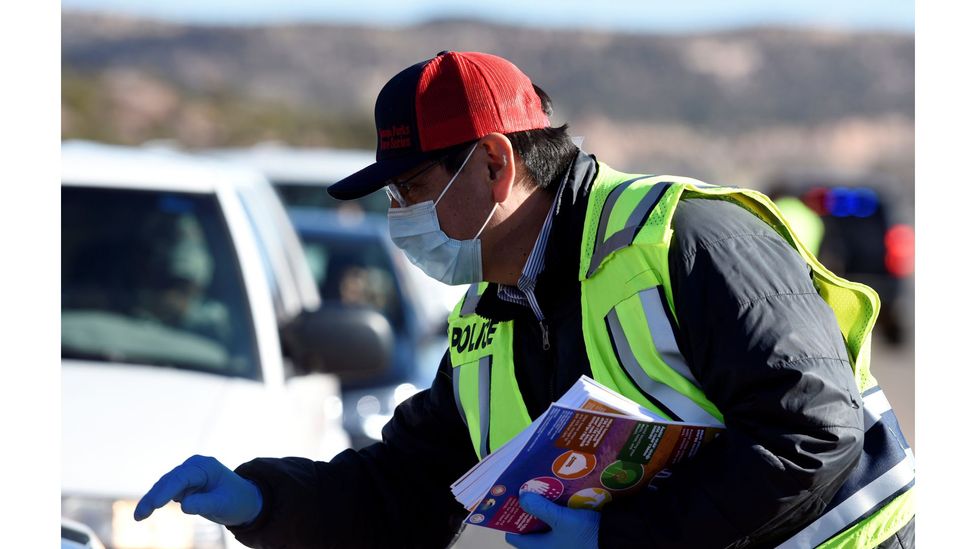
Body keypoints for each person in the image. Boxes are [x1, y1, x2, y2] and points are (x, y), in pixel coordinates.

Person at [134, 51, 915, 548]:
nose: (395, 216)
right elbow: (403, 488)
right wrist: (260, 497)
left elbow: (811, 429)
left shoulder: (685, 238)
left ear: (495, 165)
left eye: (410, 188)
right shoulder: (489, 318)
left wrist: (618, 542)